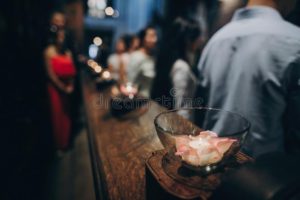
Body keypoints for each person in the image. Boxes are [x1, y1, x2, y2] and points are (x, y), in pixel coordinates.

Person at [197, 0, 300, 157]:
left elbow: (202, 108)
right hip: (267, 174)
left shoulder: (215, 41)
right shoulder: (294, 41)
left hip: (210, 164)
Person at [152, 18, 202, 119]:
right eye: (198, 37)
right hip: (181, 124)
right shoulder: (181, 67)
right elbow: (181, 107)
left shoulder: (170, 60)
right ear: (188, 40)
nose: (200, 40)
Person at [44, 11, 76, 150]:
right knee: (56, 116)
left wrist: (71, 86)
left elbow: (72, 71)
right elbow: (50, 74)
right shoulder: (48, 51)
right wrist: (62, 87)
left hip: (68, 88)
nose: (61, 38)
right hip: (55, 89)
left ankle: (66, 142)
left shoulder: (68, 52)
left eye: (64, 36)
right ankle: (58, 145)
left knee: (67, 116)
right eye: (59, 35)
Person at [127, 26, 157, 98]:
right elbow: (130, 81)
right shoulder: (137, 56)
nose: (155, 40)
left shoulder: (152, 57)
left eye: (155, 36)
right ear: (143, 38)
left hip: (149, 100)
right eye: (151, 36)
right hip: (138, 101)